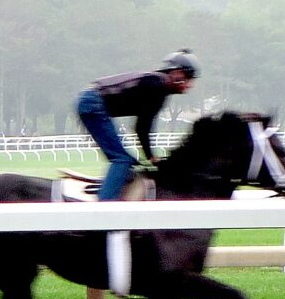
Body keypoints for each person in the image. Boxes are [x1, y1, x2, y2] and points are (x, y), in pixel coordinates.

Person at [76, 49, 199, 200]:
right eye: (189, 77)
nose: (190, 84)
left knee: (130, 161)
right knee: (121, 159)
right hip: (92, 102)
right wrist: (151, 157)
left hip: (91, 100)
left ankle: (110, 188)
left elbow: (141, 127)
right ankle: (104, 208)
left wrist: (148, 157)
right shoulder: (158, 86)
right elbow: (142, 127)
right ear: (177, 73)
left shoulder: (157, 86)